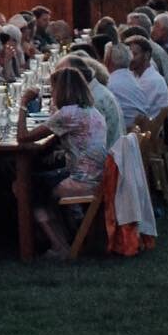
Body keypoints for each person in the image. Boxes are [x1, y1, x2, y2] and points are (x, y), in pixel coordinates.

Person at [16, 66, 107, 257]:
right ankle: (62, 237)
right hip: (98, 175)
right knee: (42, 180)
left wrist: (23, 104)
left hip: (83, 181)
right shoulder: (91, 111)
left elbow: (23, 137)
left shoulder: (68, 114)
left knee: (24, 186)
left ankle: (57, 245)